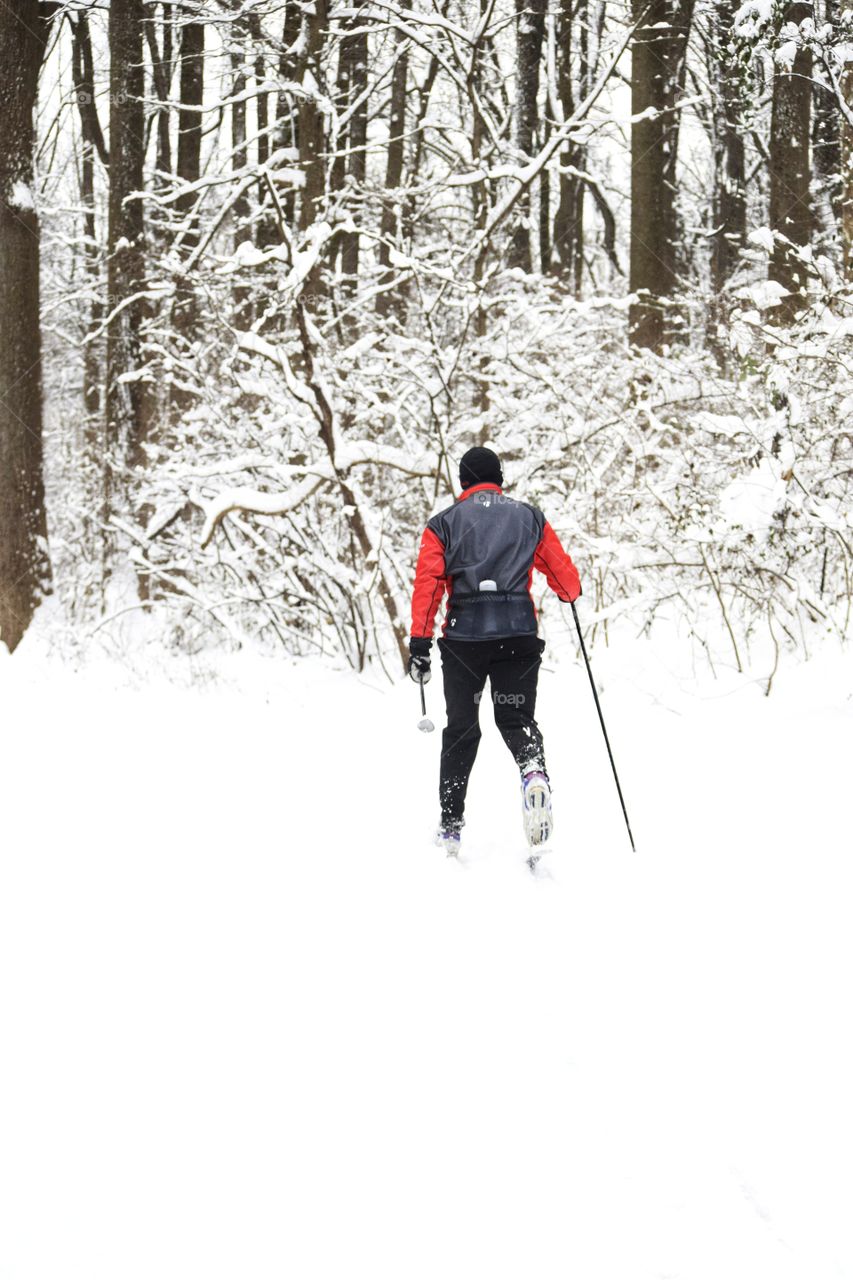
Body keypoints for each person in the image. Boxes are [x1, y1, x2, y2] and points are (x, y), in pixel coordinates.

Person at [408, 446, 582, 856]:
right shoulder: (529, 518)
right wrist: (567, 592)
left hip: (464, 642)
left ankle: (451, 826)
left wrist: (420, 641)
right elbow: (567, 582)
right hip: (518, 637)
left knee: (462, 729)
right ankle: (533, 772)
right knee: (515, 717)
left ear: (463, 481)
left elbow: (429, 585)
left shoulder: (442, 525)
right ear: (499, 478)